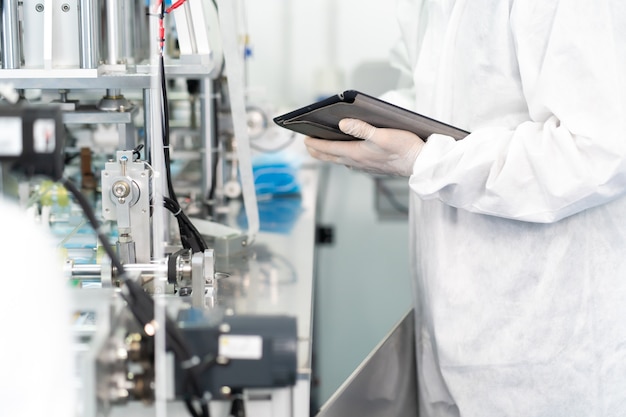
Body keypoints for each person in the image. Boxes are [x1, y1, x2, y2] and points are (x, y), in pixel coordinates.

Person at [305, 1, 626, 416]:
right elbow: (429, 93)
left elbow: (598, 150)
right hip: (455, 326)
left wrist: (429, 162)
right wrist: (371, 125)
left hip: (547, 348)